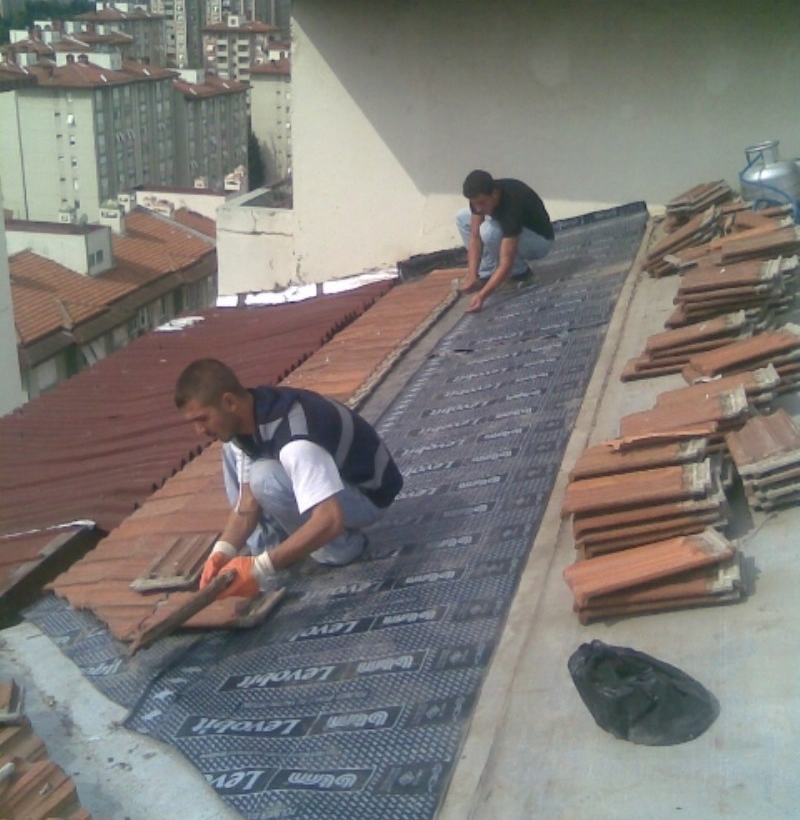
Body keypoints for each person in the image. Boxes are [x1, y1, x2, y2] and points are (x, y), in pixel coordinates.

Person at [174, 358, 403, 599]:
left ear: (229, 402)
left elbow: (330, 519)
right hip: (337, 485)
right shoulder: (248, 415)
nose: (199, 431)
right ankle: (271, 550)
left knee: (264, 478)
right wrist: (222, 552)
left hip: (367, 496)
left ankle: (339, 547)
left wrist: (260, 568)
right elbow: (247, 502)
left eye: (202, 419)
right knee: (232, 450)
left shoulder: (295, 440)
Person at [456, 169, 554, 313]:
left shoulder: (511, 204)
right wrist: (472, 276)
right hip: (518, 232)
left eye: (482, 202)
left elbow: (506, 261)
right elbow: (474, 237)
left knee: (490, 231)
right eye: (474, 203)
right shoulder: (480, 198)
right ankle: (486, 274)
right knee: (462, 217)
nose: (478, 208)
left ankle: (521, 275)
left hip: (539, 242)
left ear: (495, 194)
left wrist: (482, 296)